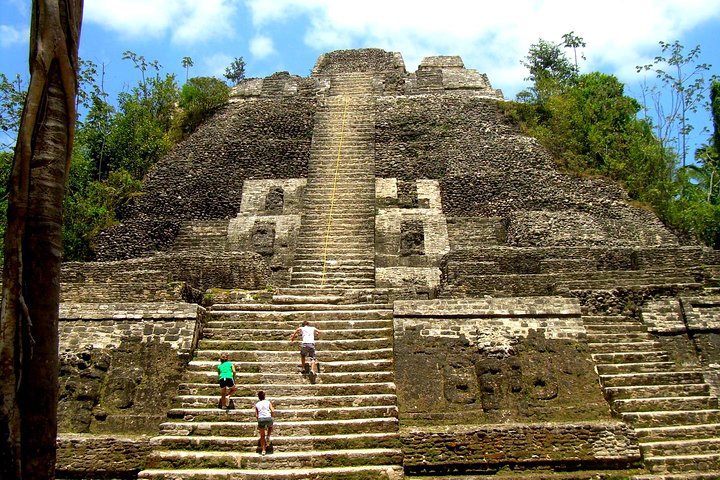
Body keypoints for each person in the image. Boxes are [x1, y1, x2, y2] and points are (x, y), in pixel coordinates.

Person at [255, 390, 275, 455]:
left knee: (262, 435)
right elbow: (272, 410)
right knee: (270, 425)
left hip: (261, 419)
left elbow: (256, 415)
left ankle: (263, 450)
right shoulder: (268, 402)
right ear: (264, 396)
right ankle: (268, 436)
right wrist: (271, 417)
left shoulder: (257, 404)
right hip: (268, 418)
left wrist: (259, 420)